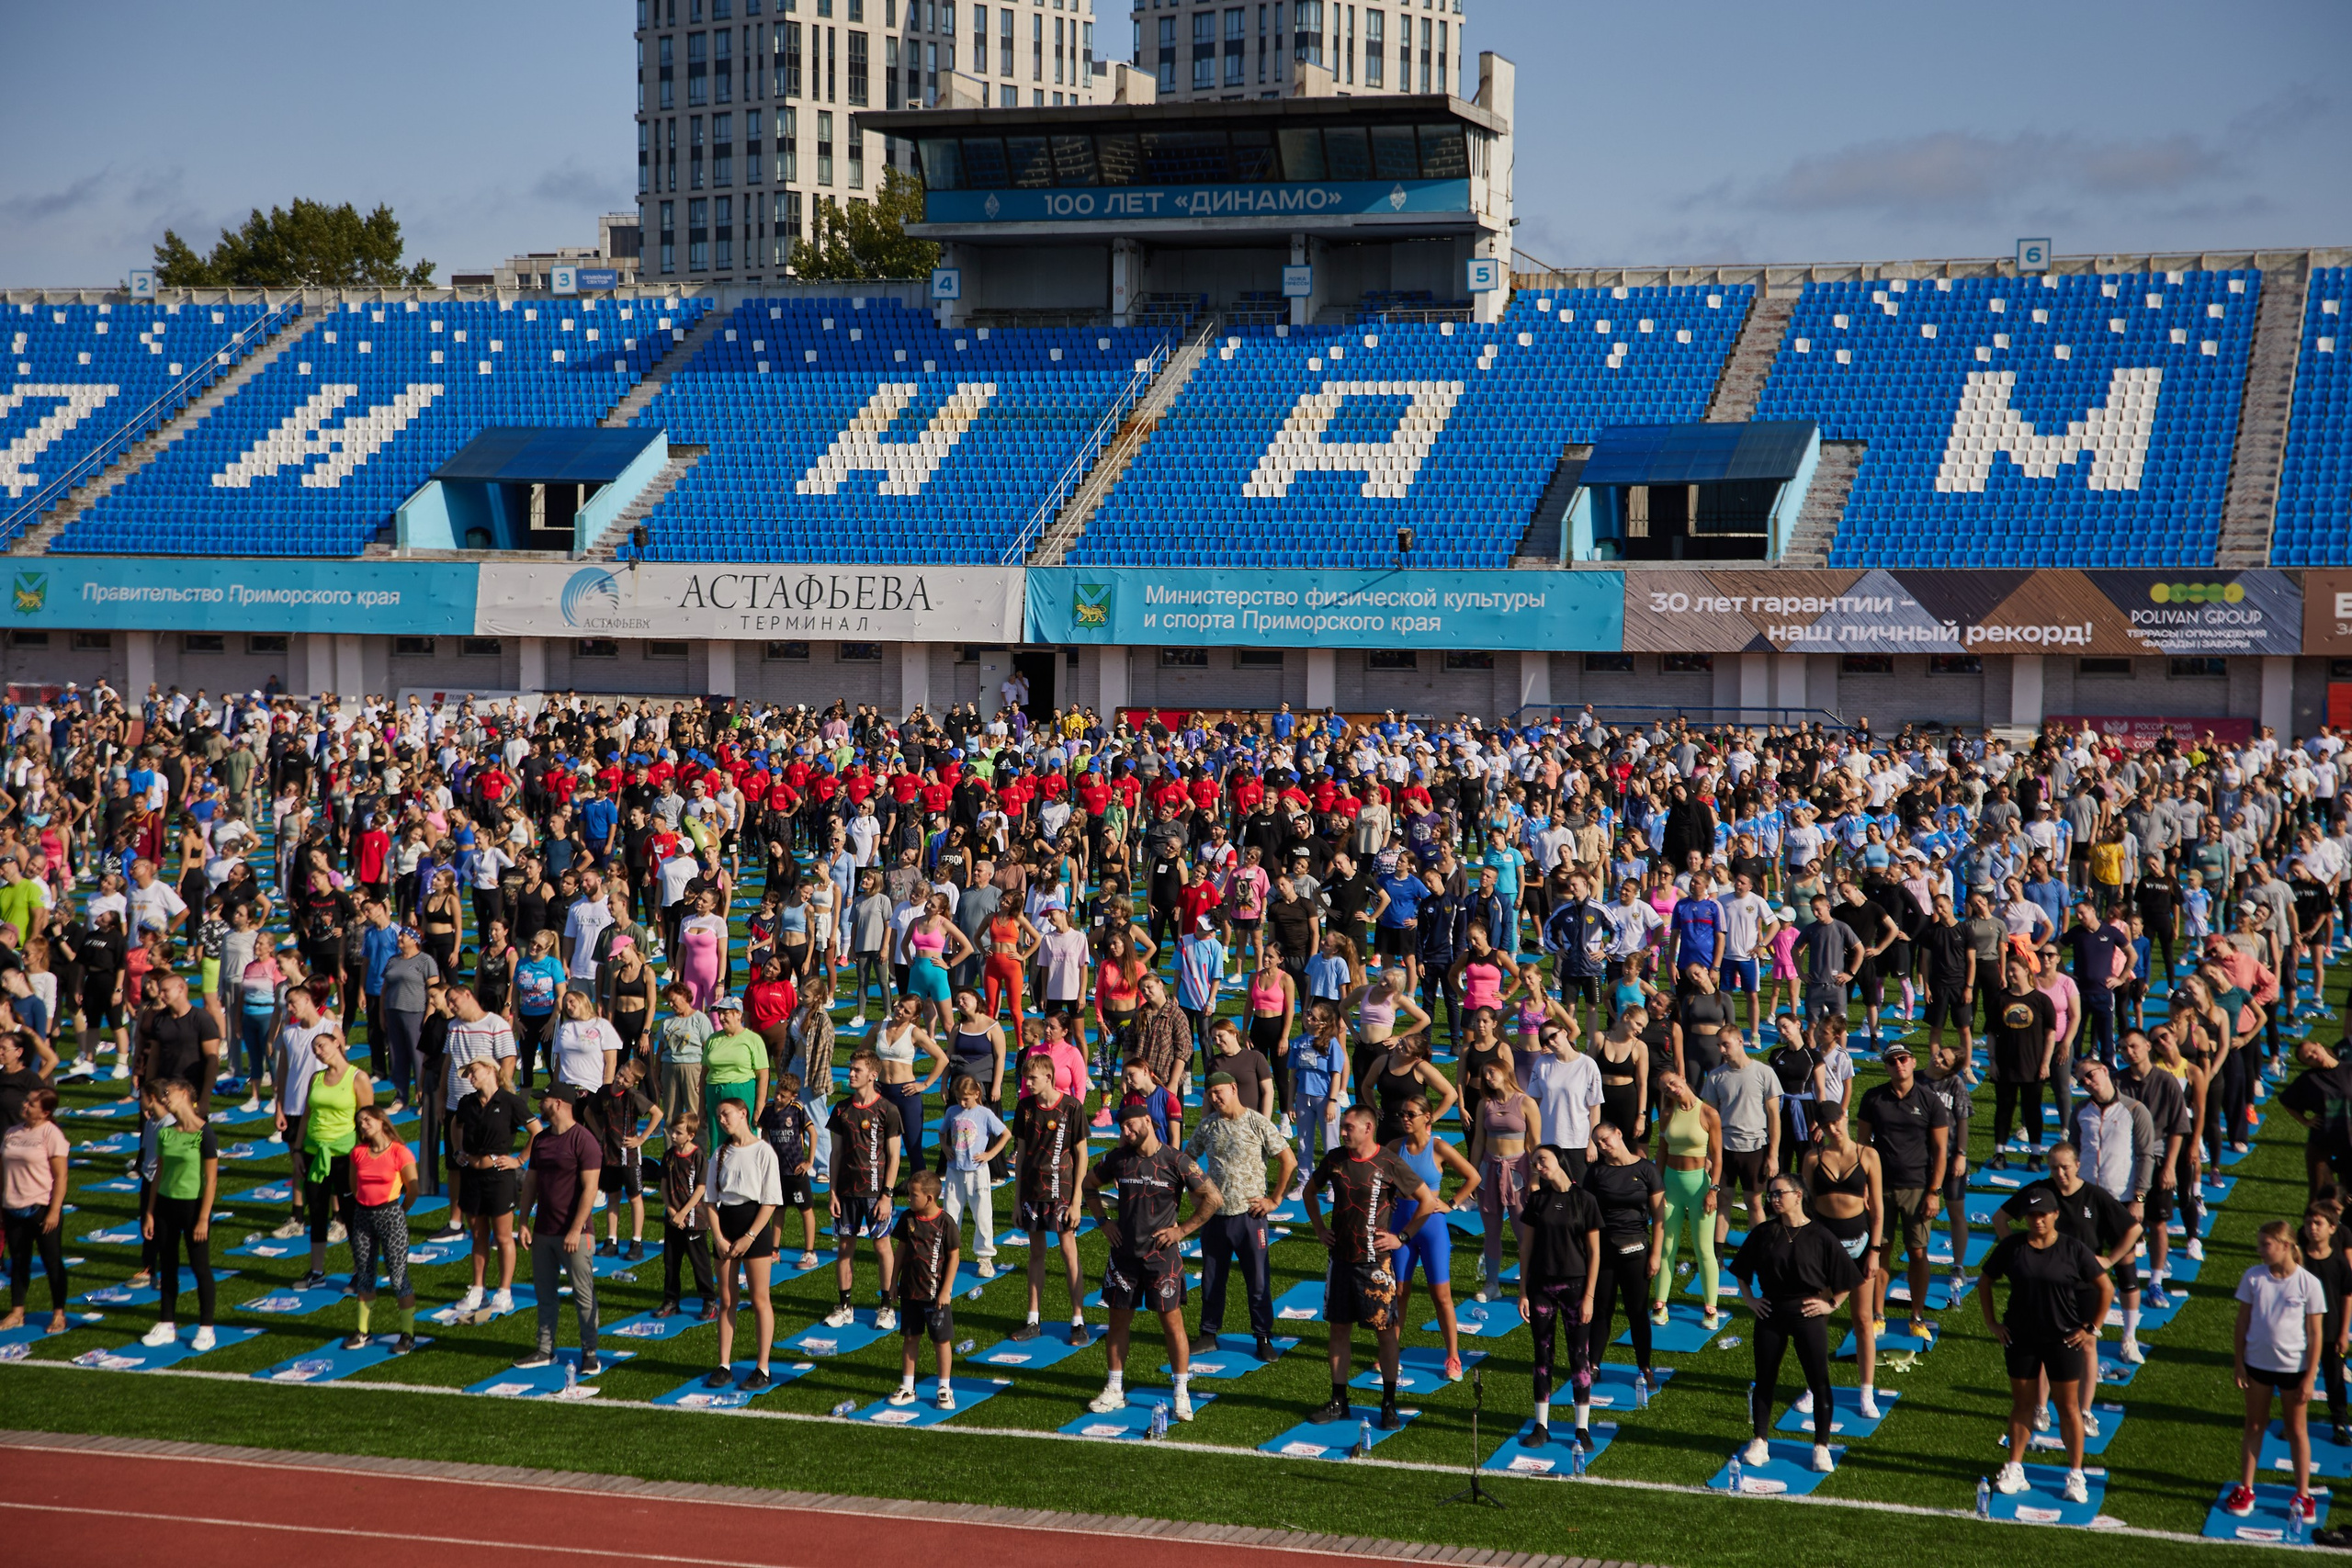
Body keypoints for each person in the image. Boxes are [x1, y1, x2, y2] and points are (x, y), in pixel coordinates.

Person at [1306, 1104, 1444, 1432]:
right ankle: (1339, 1401)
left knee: (1385, 1334)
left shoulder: (1389, 1163)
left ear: (1368, 1128)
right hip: (1340, 1260)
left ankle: (1389, 1403)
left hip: (1376, 1264)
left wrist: (1403, 1237)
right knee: (1338, 1330)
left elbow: (1427, 1200)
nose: (1342, 1132)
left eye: (1348, 1127)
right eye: (1342, 1127)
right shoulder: (1335, 1160)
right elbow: (1310, 1191)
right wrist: (1317, 1227)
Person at [1991, 1141, 2141, 1440]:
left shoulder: (2095, 1196)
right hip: (2045, 1288)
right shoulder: (2040, 1193)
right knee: (2045, 1344)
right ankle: (2040, 1408)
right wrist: (2016, 1254)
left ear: (2077, 1165)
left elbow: (2133, 1228)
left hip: (2085, 1289)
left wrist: (2110, 1260)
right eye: (2054, 1167)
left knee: (2086, 1345)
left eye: (2065, 1167)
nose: (2059, 1173)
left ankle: (2085, 1412)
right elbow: (2000, 1218)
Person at [1083, 1100, 1222, 1418]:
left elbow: (1213, 1197)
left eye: (1131, 1125)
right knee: (1118, 1321)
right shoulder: (1118, 1159)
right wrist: (1104, 1223)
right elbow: (1088, 1186)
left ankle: (1181, 1392)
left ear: (1148, 1120)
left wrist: (1182, 1230)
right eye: (1122, 1127)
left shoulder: (1176, 1160)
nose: (1126, 1132)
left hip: (1162, 1259)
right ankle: (1115, 1389)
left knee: (1172, 1325)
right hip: (1124, 1257)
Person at [1980, 1184, 2112, 1505]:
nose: (2037, 1220)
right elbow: (1985, 1281)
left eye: (2043, 1214)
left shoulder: (2073, 1249)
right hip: (2021, 1339)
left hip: (2062, 1339)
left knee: (2069, 1409)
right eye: (2031, 1215)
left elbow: (2105, 1288)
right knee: (2023, 1405)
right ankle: (2014, 1467)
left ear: (2055, 1215)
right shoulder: (2011, 1247)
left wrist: (2091, 1328)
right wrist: (1992, 1323)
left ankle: (2076, 1475)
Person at [1731, 1173, 1863, 1475]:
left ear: (1798, 1195)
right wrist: (1750, 1300)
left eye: (1779, 1193)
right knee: (1765, 1378)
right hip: (1771, 1312)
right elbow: (1741, 1269)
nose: (1774, 1199)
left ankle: (1821, 1447)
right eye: (1771, 1195)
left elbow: (1848, 1277)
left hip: (1808, 1316)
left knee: (1819, 1382)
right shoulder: (1765, 1232)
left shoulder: (1820, 1235)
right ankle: (1760, 1441)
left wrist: (1831, 1305)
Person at [1185, 1068, 1298, 1361]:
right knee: (1211, 1278)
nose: (1214, 1097)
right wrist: (1195, 1195)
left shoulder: (1257, 1122)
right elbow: (1186, 1161)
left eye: (1218, 1092)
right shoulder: (1208, 1126)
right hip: (1215, 1216)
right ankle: (1208, 1334)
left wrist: (1275, 1199)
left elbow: (1288, 1160)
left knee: (1258, 1280)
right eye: (1210, 1093)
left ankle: (1262, 1337)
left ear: (1234, 1088)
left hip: (1250, 1216)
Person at [2222, 1219, 2326, 1523]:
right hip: (2257, 1366)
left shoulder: (2309, 1283)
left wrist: (2310, 1376)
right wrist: (2239, 1361)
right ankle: (2246, 1488)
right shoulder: (2253, 1278)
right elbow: (2242, 1322)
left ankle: (2304, 1495)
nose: (2260, 1250)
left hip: (2295, 1369)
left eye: (2265, 1245)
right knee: (2254, 1426)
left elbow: (2316, 1334)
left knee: (2297, 1431)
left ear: (2284, 1246)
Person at [1853, 1043, 1951, 1343]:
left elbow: (1940, 1150)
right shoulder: (1873, 1098)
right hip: (1881, 1187)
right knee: (1879, 1251)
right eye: (1892, 1061)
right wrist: (1866, 1187)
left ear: (1913, 1061)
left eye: (1903, 1059)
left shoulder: (1930, 1101)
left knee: (1918, 1252)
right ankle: (1878, 1314)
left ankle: (1917, 1315)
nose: (1899, 1065)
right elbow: (1862, 1146)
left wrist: (1934, 1192)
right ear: (1886, 1067)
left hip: (1917, 1187)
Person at [1517, 1145, 1603, 1451]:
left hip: (1576, 1288)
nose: (1538, 1165)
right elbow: (1525, 1248)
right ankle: (1542, 1425)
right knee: (1542, 1355)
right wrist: (1523, 1291)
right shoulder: (1537, 1200)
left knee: (1579, 1356)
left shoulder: (1585, 1200)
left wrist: (1590, 1295)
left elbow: (1595, 1252)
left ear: (1560, 1160)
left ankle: (1582, 1428)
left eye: (1543, 1159)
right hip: (1541, 1286)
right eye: (1534, 1162)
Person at [513, 1082, 602, 1374]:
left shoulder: (584, 1141)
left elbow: (590, 1190)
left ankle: (589, 1352)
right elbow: (531, 1184)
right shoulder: (541, 1140)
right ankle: (544, 1349)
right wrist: (524, 1221)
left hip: (575, 1233)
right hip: (544, 1232)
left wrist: (576, 1229)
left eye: (544, 1100)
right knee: (545, 1294)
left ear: (561, 1104)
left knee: (583, 1293)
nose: (538, 1104)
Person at [1802, 1105, 1884, 1419]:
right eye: (1827, 1124)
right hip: (1824, 1249)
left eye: (1837, 1121)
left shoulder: (1868, 1156)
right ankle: (1815, 1388)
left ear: (1845, 1117)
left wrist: (1875, 1250)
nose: (1834, 1128)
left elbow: (1877, 1209)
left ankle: (1866, 1392)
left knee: (1863, 1320)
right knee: (1817, 1320)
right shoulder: (1813, 1159)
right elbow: (1806, 1206)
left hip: (1861, 1245)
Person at [699, 1095, 784, 1391]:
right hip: (726, 1224)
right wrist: (719, 1237)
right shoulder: (719, 1153)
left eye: (726, 1114)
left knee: (760, 1299)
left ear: (743, 1113)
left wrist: (749, 1237)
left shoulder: (764, 1152)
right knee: (726, 1299)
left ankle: (763, 1368)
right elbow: (710, 1200)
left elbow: (771, 1201)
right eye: (719, 1116)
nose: (721, 1120)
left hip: (755, 1225)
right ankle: (724, 1365)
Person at [1010, 1054, 1092, 1345]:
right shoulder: (1024, 1108)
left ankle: (1078, 1321)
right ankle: (1033, 1319)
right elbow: (1020, 1156)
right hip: (1032, 1191)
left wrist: (1077, 1199)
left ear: (1049, 1077)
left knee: (1069, 1251)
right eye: (1025, 1078)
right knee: (1036, 1253)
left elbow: (1082, 1153)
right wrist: (1016, 1199)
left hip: (1063, 1190)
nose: (1027, 1083)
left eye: (1032, 1078)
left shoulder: (1072, 1107)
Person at [448, 1055, 536, 1320]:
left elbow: (538, 1131)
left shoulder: (510, 1102)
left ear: (489, 1070)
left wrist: (520, 1159)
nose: (470, 1078)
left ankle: (504, 1292)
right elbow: (455, 1125)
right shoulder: (467, 1103)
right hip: (472, 1178)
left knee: (502, 1236)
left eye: (473, 1072)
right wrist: (457, 1151)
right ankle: (477, 1289)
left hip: (499, 1178)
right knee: (477, 1234)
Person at [823, 1051, 902, 1329]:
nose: (851, 1073)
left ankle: (886, 1306)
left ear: (873, 1075)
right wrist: (832, 1192)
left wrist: (887, 1195)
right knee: (845, 1247)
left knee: (882, 1247)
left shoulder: (887, 1110)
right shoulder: (841, 1109)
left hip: (875, 1193)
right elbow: (835, 1154)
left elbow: (894, 1157)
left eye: (857, 1069)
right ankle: (844, 1306)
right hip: (846, 1192)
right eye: (851, 1068)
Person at [139, 1077, 220, 1350]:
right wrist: (149, 1212)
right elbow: (158, 1174)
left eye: (168, 1093)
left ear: (185, 1094)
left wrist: (203, 1218)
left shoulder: (204, 1133)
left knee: (200, 1268)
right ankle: (166, 1324)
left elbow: (211, 1181)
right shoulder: (165, 1133)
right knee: (168, 1266)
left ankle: (206, 1328)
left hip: (192, 1208)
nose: (164, 1098)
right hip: (164, 1207)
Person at [1582, 1120, 1662, 1386]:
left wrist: (1655, 1254)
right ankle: (1593, 1365)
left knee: (1637, 1311)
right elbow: (1587, 1215)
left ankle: (1645, 1367)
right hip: (1604, 1250)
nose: (1603, 1146)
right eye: (1598, 1143)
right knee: (1602, 1309)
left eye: (1606, 1139)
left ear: (1619, 1133)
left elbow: (1659, 1216)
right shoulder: (1596, 1173)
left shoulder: (1646, 1170)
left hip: (1637, 1249)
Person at [298, 1030, 372, 1291]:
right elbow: (307, 1115)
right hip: (314, 1152)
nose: (318, 1051)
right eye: (314, 1048)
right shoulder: (316, 1078)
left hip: (345, 1155)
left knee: (351, 1214)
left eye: (322, 1045)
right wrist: (298, 1149)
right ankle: (316, 1271)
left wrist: (364, 1156)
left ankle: (360, 1271)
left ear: (337, 1043)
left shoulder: (357, 1077)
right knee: (317, 1212)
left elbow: (368, 1120)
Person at [344, 1103, 419, 1354]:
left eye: (367, 1119)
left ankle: (408, 1334)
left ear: (381, 1120)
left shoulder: (400, 1152)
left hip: (391, 1216)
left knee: (398, 1278)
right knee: (364, 1276)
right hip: (363, 1217)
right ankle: (362, 1330)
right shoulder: (358, 1153)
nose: (363, 1124)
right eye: (360, 1122)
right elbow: (355, 1187)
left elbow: (413, 1189)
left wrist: (399, 1212)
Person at [1651, 1070, 1724, 1327]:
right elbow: (1661, 1152)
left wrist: (1713, 1190)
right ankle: (1660, 1303)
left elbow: (1717, 1155)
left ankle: (1711, 1308)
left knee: (1704, 1249)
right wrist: (1656, 1188)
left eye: (1672, 1083)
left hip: (1699, 1188)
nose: (1671, 1089)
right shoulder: (1667, 1114)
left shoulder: (1708, 1114)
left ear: (1682, 1077)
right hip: (1670, 1185)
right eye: (1665, 1088)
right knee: (1665, 1247)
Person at [1700, 1029, 1780, 1255]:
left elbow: (1774, 1117)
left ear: (1740, 1041)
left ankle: (1759, 1253)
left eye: (1725, 1044)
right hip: (1724, 1148)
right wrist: (1708, 1154)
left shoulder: (1764, 1072)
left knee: (1754, 1202)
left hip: (1755, 1147)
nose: (1722, 1050)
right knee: (1723, 1199)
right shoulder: (1716, 1076)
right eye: (1719, 1046)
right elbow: (1710, 1119)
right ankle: (1717, 1254)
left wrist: (1773, 1155)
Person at [889, 1169, 964, 1409]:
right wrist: (893, 1281)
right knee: (910, 1337)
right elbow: (900, 1250)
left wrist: (946, 1289)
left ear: (929, 1198)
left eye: (913, 1195)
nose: (908, 1199)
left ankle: (944, 1388)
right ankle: (908, 1386)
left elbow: (954, 1257)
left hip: (935, 1295)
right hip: (910, 1291)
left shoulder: (945, 1223)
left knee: (941, 1341)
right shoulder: (907, 1219)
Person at [2, 1087, 70, 1334]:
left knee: (52, 1261)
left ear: (45, 1112)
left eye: (31, 1104)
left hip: (40, 1206)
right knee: (19, 1260)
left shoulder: (52, 1134)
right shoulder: (12, 1132)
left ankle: (58, 1313)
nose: (25, 1106)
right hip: (12, 1205)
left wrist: (54, 1210)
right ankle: (17, 1311)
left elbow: (61, 1176)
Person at [582, 1055, 662, 1260]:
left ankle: (636, 1241)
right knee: (613, 1195)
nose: (620, 1080)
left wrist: (642, 1138)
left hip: (629, 1155)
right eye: (620, 1075)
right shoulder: (604, 1091)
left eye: (626, 1080)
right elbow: (588, 1113)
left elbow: (658, 1114)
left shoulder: (634, 1096)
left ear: (633, 1083)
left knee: (635, 1197)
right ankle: (612, 1239)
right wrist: (599, 1134)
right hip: (608, 1154)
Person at [937, 1073, 1010, 1277]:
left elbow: (1005, 1134)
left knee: (982, 1215)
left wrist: (990, 1154)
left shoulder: (985, 1114)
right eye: (959, 1098)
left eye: (966, 1098)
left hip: (978, 1172)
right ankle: (948, 1255)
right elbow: (942, 1132)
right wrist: (945, 1148)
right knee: (950, 1214)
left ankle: (985, 1258)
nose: (962, 1102)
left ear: (977, 1093)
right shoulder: (952, 1111)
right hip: (954, 1170)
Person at [757, 1073, 821, 1269]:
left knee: (805, 1210)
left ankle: (810, 1252)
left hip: (796, 1172)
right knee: (778, 1209)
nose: (777, 1098)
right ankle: (774, 1250)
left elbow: (813, 1132)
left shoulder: (797, 1109)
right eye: (777, 1093)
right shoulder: (768, 1110)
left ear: (793, 1096)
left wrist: (809, 1161)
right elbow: (764, 1130)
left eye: (783, 1096)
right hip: (777, 1172)